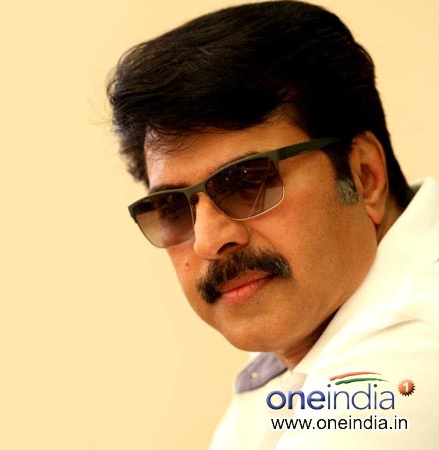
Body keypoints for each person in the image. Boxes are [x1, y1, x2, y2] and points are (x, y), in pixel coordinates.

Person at [107, 1, 439, 449]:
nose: (208, 241)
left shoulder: (408, 356)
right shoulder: (307, 345)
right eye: (173, 208)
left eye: (249, 182)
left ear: (364, 176)